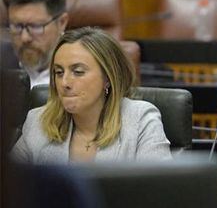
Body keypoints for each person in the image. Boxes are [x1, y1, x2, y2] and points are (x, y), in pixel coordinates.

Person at [11, 27, 171, 163]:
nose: (64, 82)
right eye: (59, 72)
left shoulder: (140, 120)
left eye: (78, 72)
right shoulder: (38, 122)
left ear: (108, 78)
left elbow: (159, 193)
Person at [3, 0, 69, 88]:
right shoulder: (3, 62)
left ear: (61, 22)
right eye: (17, 26)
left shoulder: (84, 70)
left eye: (35, 27)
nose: (25, 38)